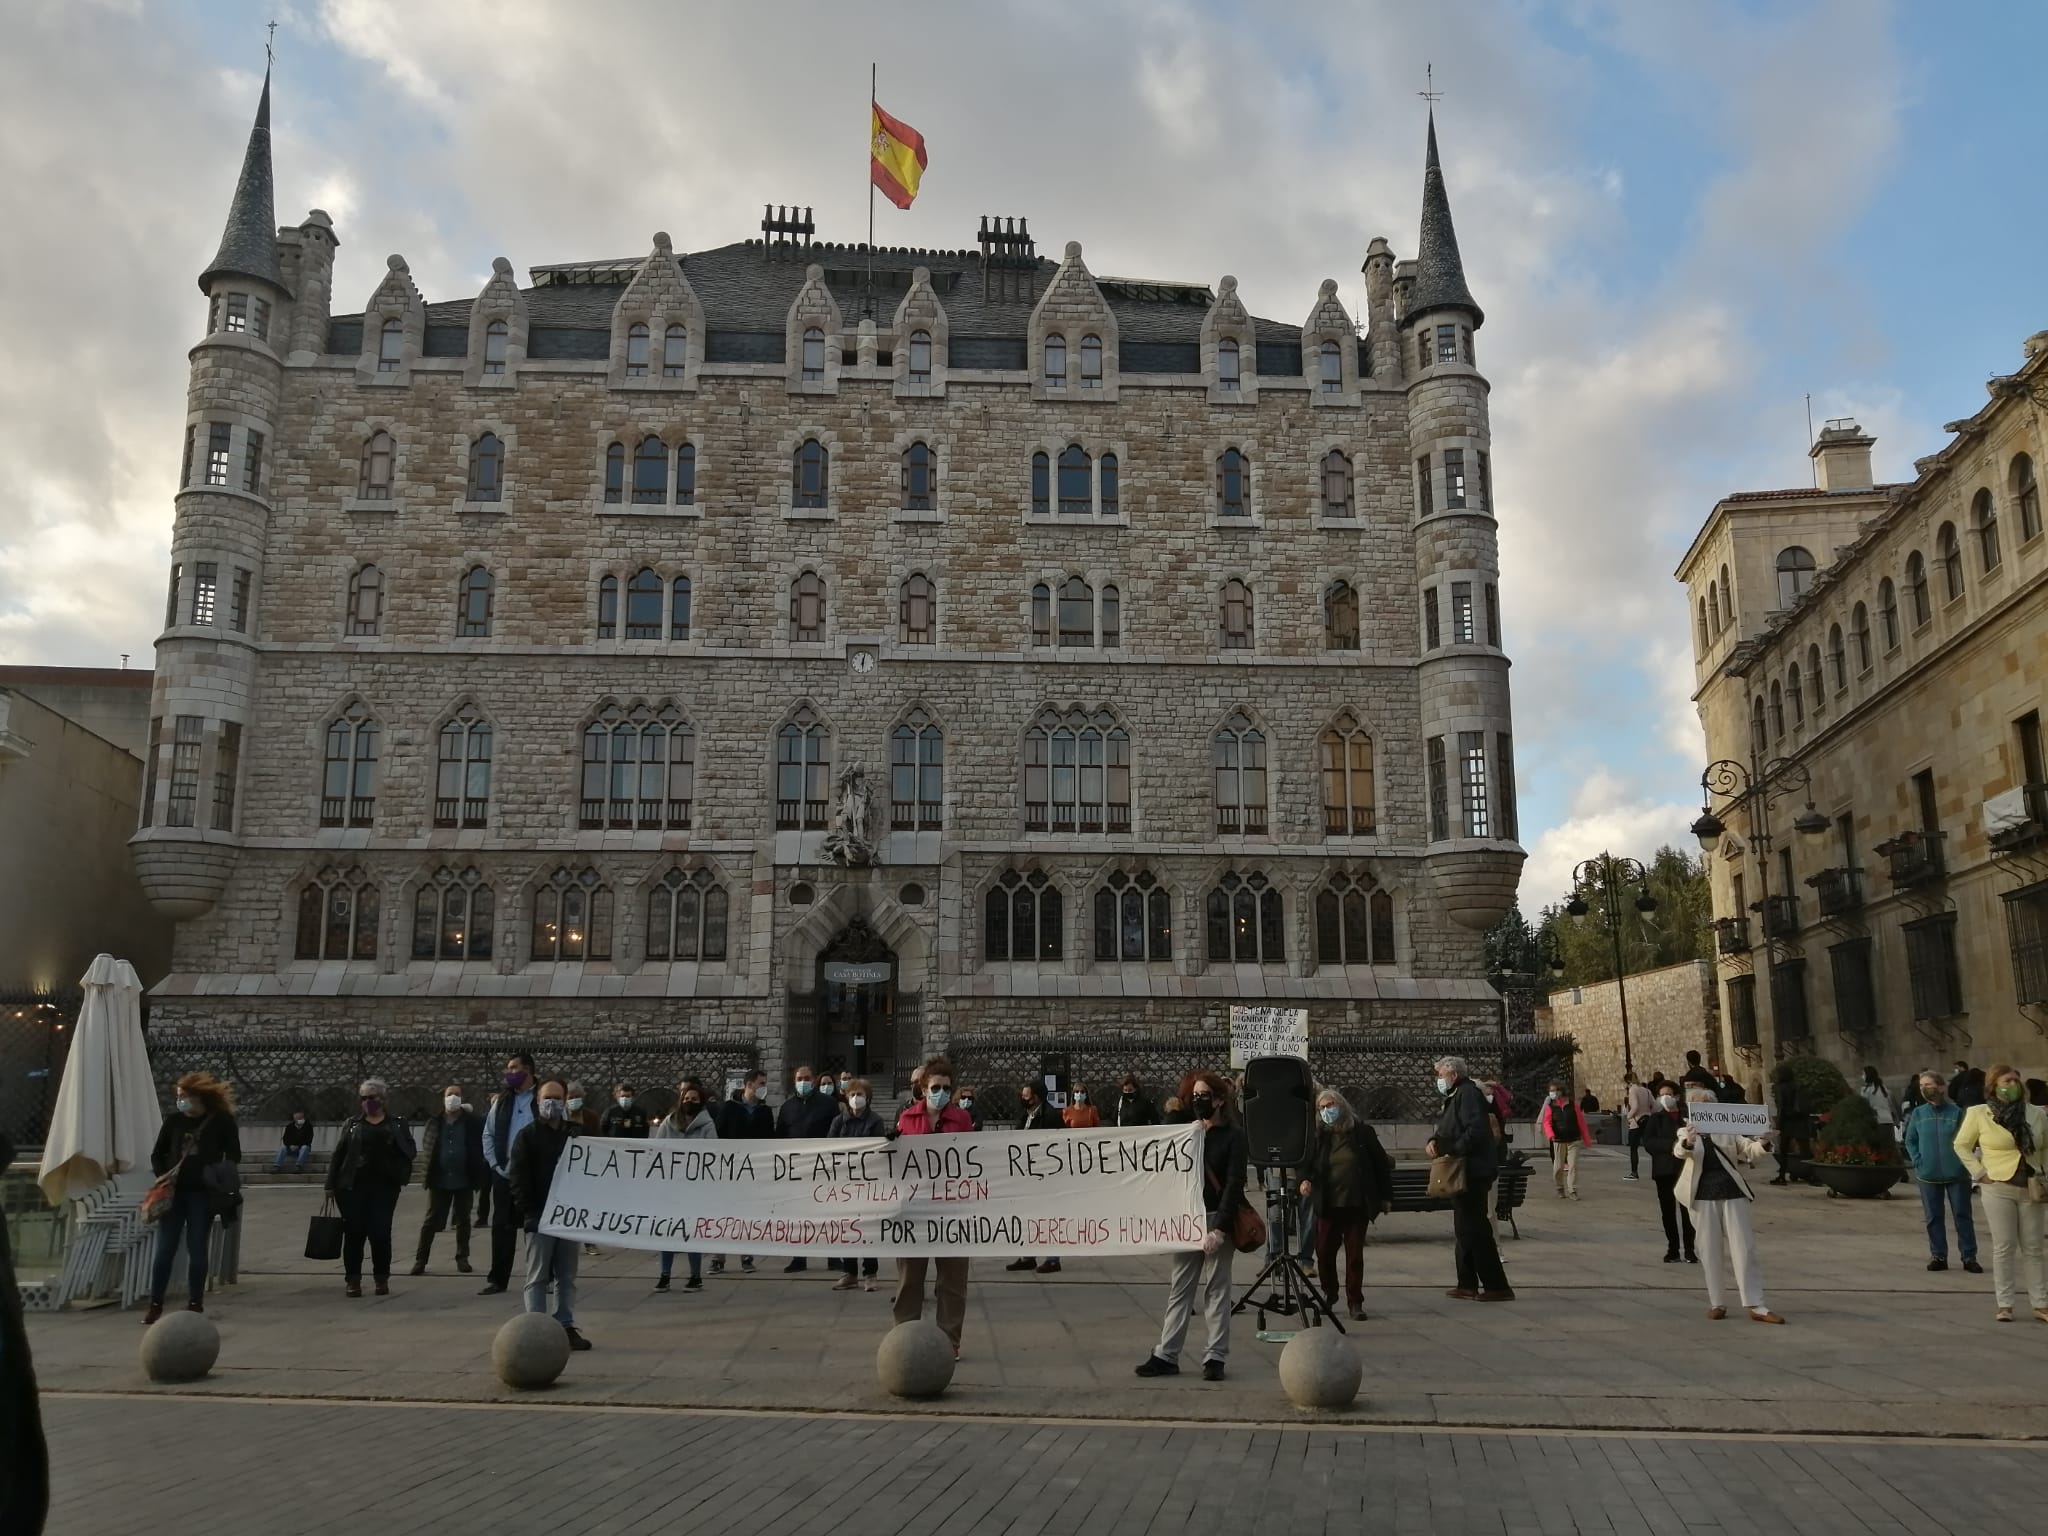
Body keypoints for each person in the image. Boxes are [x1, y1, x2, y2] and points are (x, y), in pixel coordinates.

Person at [1136, 1069, 1249, 1380]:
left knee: (1217, 1288)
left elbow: (1234, 1184)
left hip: (1216, 1219)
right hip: (1189, 1218)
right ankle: (1167, 1353)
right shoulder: (1189, 1132)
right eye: (1194, 1096)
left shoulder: (1234, 1136)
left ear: (1219, 1099)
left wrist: (1220, 1229)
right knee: (1180, 1288)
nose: (1198, 1100)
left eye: (1204, 1095)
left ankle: (1215, 1356)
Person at [1676, 1085, 1782, 1323]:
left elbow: (1748, 1150)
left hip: (1732, 1190)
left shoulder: (1726, 1130)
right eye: (1699, 1105)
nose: (1705, 1109)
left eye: (1708, 1104)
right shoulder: (1686, 1130)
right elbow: (1680, 1151)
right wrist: (1689, 1142)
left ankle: (1756, 1304)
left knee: (1744, 1247)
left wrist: (1763, 1142)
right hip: (1702, 1194)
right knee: (1709, 1248)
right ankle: (1717, 1302)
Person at [893, 1058, 976, 1357]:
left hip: (952, 1211)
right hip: (914, 1210)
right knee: (909, 1280)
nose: (940, 1092)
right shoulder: (907, 1119)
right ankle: (903, 1337)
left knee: (952, 1282)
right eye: (935, 1087)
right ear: (923, 1088)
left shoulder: (961, 1120)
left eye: (946, 1088)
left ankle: (949, 1341)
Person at [1953, 1063, 2048, 1323]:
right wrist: (1980, 1173)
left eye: (2016, 1081)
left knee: (2034, 1247)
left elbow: (2046, 1146)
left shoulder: (2035, 1113)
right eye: (2006, 1081)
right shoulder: (1979, 1113)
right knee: (2004, 1246)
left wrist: (2044, 1172)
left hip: (2031, 1185)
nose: (2013, 1086)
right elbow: (1961, 1145)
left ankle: (2041, 1303)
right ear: (1994, 1086)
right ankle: (2005, 1304)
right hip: (1998, 1186)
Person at [144, 1071, 241, 1324]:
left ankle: (195, 1302)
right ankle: (156, 1303)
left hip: (202, 1193)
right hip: (174, 1192)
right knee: (165, 1248)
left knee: (197, 1246)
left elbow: (234, 1154)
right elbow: (158, 1153)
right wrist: (162, 1174)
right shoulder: (174, 1121)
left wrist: (216, 1172)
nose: (181, 1101)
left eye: (184, 1096)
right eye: (178, 1096)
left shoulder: (221, 1121)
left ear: (199, 1097)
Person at [1298, 1087, 1393, 1321]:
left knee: (1354, 1255)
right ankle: (1329, 1293)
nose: (1326, 1111)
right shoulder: (1319, 1136)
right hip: (1328, 1202)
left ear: (1341, 1105)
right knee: (1324, 1250)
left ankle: (1355, 1301)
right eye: (1322, 1108)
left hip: (1356, 1202)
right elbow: (1305, 1164)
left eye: (1330, 1105)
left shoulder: (1361, 1132)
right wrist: (1304, 1180)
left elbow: (1381, 1164)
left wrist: (1385, 1197)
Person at [507, 1079, 589, 1348]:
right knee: (538, 1276)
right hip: (540, 1214)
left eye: (557, 1098)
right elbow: (518, 1177)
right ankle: (536, 1329)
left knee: (567, 1277)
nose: (551, 1103)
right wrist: (529, 1212)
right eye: (547, 1098)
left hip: (568, 1215)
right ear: (538, 1101)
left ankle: (565, 1325)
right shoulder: (527, 1136)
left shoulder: (574, 1135)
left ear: (565, 1101)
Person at [1428, 1056, 1513, 1302]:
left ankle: (1496, 1285)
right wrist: (1434, 1140)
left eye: (1441, 1075)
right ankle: (1466, 1282)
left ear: (1453, 1075)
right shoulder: (1456, 1096)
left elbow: (1475, 1130)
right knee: (1464, 1229)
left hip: (1472, 1171)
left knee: (1475, 1228)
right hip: (1464, 1170)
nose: (1439, 1080)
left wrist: (1453, 1149)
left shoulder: (1468, 1095)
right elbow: (1448, 1127)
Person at [325, 1078, 416, 1298]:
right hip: (352, 1187)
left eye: (372, 1097)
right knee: (354, 1233)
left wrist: (398, 1171)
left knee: (380, 1232)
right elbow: (339, 1154)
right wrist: (330, 1185)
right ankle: (353, 1280)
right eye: (363, 1098)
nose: (367, 1102)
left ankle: (381, 1278)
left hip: (384, 1187)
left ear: (383, 1099)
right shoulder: (353, 1124)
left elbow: (409, 1150)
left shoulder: (396, 1123)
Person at [1901, 1071, 1979, 1275]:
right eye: (1922, 1086)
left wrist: (1965, 1162)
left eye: (1929, 1084)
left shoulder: (1957, 1112)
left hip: (1957, 1173)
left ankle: (1969, 1256)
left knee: (1962, 1215)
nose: (1925, 1089)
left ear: (1942, 1087)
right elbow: (1910, 1140)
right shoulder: (1918, 1114)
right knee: (1933, 1216)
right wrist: (1917, 1159)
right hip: (1928, 1173)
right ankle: (1938, 1255)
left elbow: (1969, 1139)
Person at [479, 1052, 538, 1295]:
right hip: (504, 1173)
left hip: (534, 1174)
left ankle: (541, 1277)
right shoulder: (502, 1101)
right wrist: (495, 1164)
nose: (509, 1073)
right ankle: (498, 1279)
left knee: (535, 1227)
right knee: (502, 1225)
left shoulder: (542, 1098)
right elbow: (488, 1134)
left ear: (528, 1070)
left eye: (514, 1068)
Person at [411, 1083, 485, 1276]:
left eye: (457, 1094)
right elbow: (428, 1147)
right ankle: (421, 1259)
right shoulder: (434, 1122)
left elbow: (478, 1146)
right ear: (443, 1098)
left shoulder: (472, 1122)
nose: (453, 1098)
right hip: (439, 1179)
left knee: (463, 1220)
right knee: (431, 1220)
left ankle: (462, 1258)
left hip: (464, 1178)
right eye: (450, 1094)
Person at [651, 1083, 717, 1292]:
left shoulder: (707, 1125)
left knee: (692, 1232)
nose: (689, 1102)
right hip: (670, 1188)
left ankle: (695, 1276)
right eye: (686, 1098)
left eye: (694, 1099)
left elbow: (712, 1153)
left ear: (701, 1103)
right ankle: (665, 1275)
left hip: (694, 1189)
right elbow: (657, 1152)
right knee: (667, 1232)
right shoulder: (668, 1124)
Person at [711, 1070, 773, 1273]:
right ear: (749, 1084)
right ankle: (718, 1257)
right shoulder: (729, 1108)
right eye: (761, 1083)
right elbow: (718, 1136)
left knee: (748, 1215)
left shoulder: (765, 1111)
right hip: (729, 1169)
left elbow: (770, 1140)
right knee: (723, 1214)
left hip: (753, 1171)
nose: (764, 1087)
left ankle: (746, 1256)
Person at [778, 1065, 838, 1272]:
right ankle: (798, 1257)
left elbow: (836, 1132)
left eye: (806, 1078)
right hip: (796, 1168)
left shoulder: (828, 1104)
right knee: (798, 1214)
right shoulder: (787, 1107)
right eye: (799, 1078)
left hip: (824, 1166)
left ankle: (833, 1257)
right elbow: (780, 1137)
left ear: (813, 1080)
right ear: (794, 1081)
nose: (803, 1082)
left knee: (828, 1213)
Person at [829, 1078, 887, 1291]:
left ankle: (870, 1273)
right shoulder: (838, 1122)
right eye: (853, 1094)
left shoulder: (875, 1121)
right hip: (844, 1183)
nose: (856, 1098)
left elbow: (879, 1149)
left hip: (867, 1182)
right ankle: (850, 1272)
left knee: (868, 1229)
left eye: (860, 1094)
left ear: (868, 1097)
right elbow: (829, 1147)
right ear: (846, 1096)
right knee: (847, 1228)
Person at [1010, 1082, 1064, 1273]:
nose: (1023, 1099)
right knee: (1028, 1214)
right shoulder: (1028, 1114)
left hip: (1044, 1173)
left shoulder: (1049, 1116)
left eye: (1026, 1095)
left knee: (1048, 1216)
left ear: (1037, 1097)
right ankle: (1028, 1256)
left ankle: (1052, 1258)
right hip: (1028, 1172)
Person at [1640, 1081, 1695, 1264]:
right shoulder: (1656, 1119)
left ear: (1677, 1097)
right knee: (1668, 1211)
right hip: (1664, 1170)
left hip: (1685, 1169)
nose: (1665, 1098)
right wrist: (1670, 1146)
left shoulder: (1687, 1118)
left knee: (1688, 1211)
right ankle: (1673, 1248)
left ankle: (1690, 1249)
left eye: (1668, 1094)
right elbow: (1648, 1142)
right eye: (1661, 1094)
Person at [1538, 1081, 1589, 1200]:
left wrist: (1586, 1139)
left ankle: (1572, 1189)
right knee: (1558, 1167)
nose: (1552, 1093)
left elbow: (1581, 1122)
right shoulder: (1551, 1107)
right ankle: (1560, 1187)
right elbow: (1547, 1122)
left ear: (1561, 1091)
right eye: (1551, 1091)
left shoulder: (1573, 1105)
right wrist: (1551, 1135)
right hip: (1558, 1139)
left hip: (1574, 1139)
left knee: (1573, 1165)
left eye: (1554, 1090)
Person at [1621, 1073, 1653, 1181]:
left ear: (1628, 1081)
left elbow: (1634, 1107)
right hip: (1647, 1120)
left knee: (1633, 1148)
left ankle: (1634, 1172)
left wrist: (1629, 1117)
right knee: (1650, 1147)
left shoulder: (1633, 1090)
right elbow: (1654, 1105)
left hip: (1636, 1122)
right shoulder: (1646, 1090)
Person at [273, 1108, 315, 1174]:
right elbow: (285, 1139)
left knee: (305, 1147)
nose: (299, 1119)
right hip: (291, 1148)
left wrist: (298, 1146)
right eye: (297, 1118)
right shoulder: (290, 1127)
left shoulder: (308, 1126)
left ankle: (298, 1166)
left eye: (301, 1118)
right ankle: (277, 1166)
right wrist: (290, 1145)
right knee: (282, 1148)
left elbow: (309, 1139)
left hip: (302, 1148)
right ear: (294, 1118)